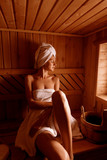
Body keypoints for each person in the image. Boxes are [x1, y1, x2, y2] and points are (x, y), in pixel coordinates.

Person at [15, 43, 82, 160]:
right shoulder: (30, 79)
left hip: (58, 118)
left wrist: (56, 105)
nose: (55, 64)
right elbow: (31, 102)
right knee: (62, 158)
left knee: (59, 95)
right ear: (44, 60)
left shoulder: (55, 79)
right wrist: (54, 105)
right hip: (39, 119)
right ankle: (67, 155)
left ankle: (70, 152)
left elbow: (59, 101)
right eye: (52, 60)